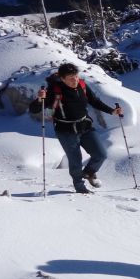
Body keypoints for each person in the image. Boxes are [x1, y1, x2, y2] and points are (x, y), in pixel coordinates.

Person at [29, 62, 123, 194]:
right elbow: (33, 109)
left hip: (85, 126)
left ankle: (89, 173)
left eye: (76, 76)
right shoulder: (54, 92)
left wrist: (112, 111)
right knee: (76, 161)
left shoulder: (82, 86)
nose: (75, 80)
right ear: (62, 79)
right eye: (71, 78)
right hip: (66, 131)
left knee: (101, 154)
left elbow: (94, 101)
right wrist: (39, 99)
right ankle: (80, 187)